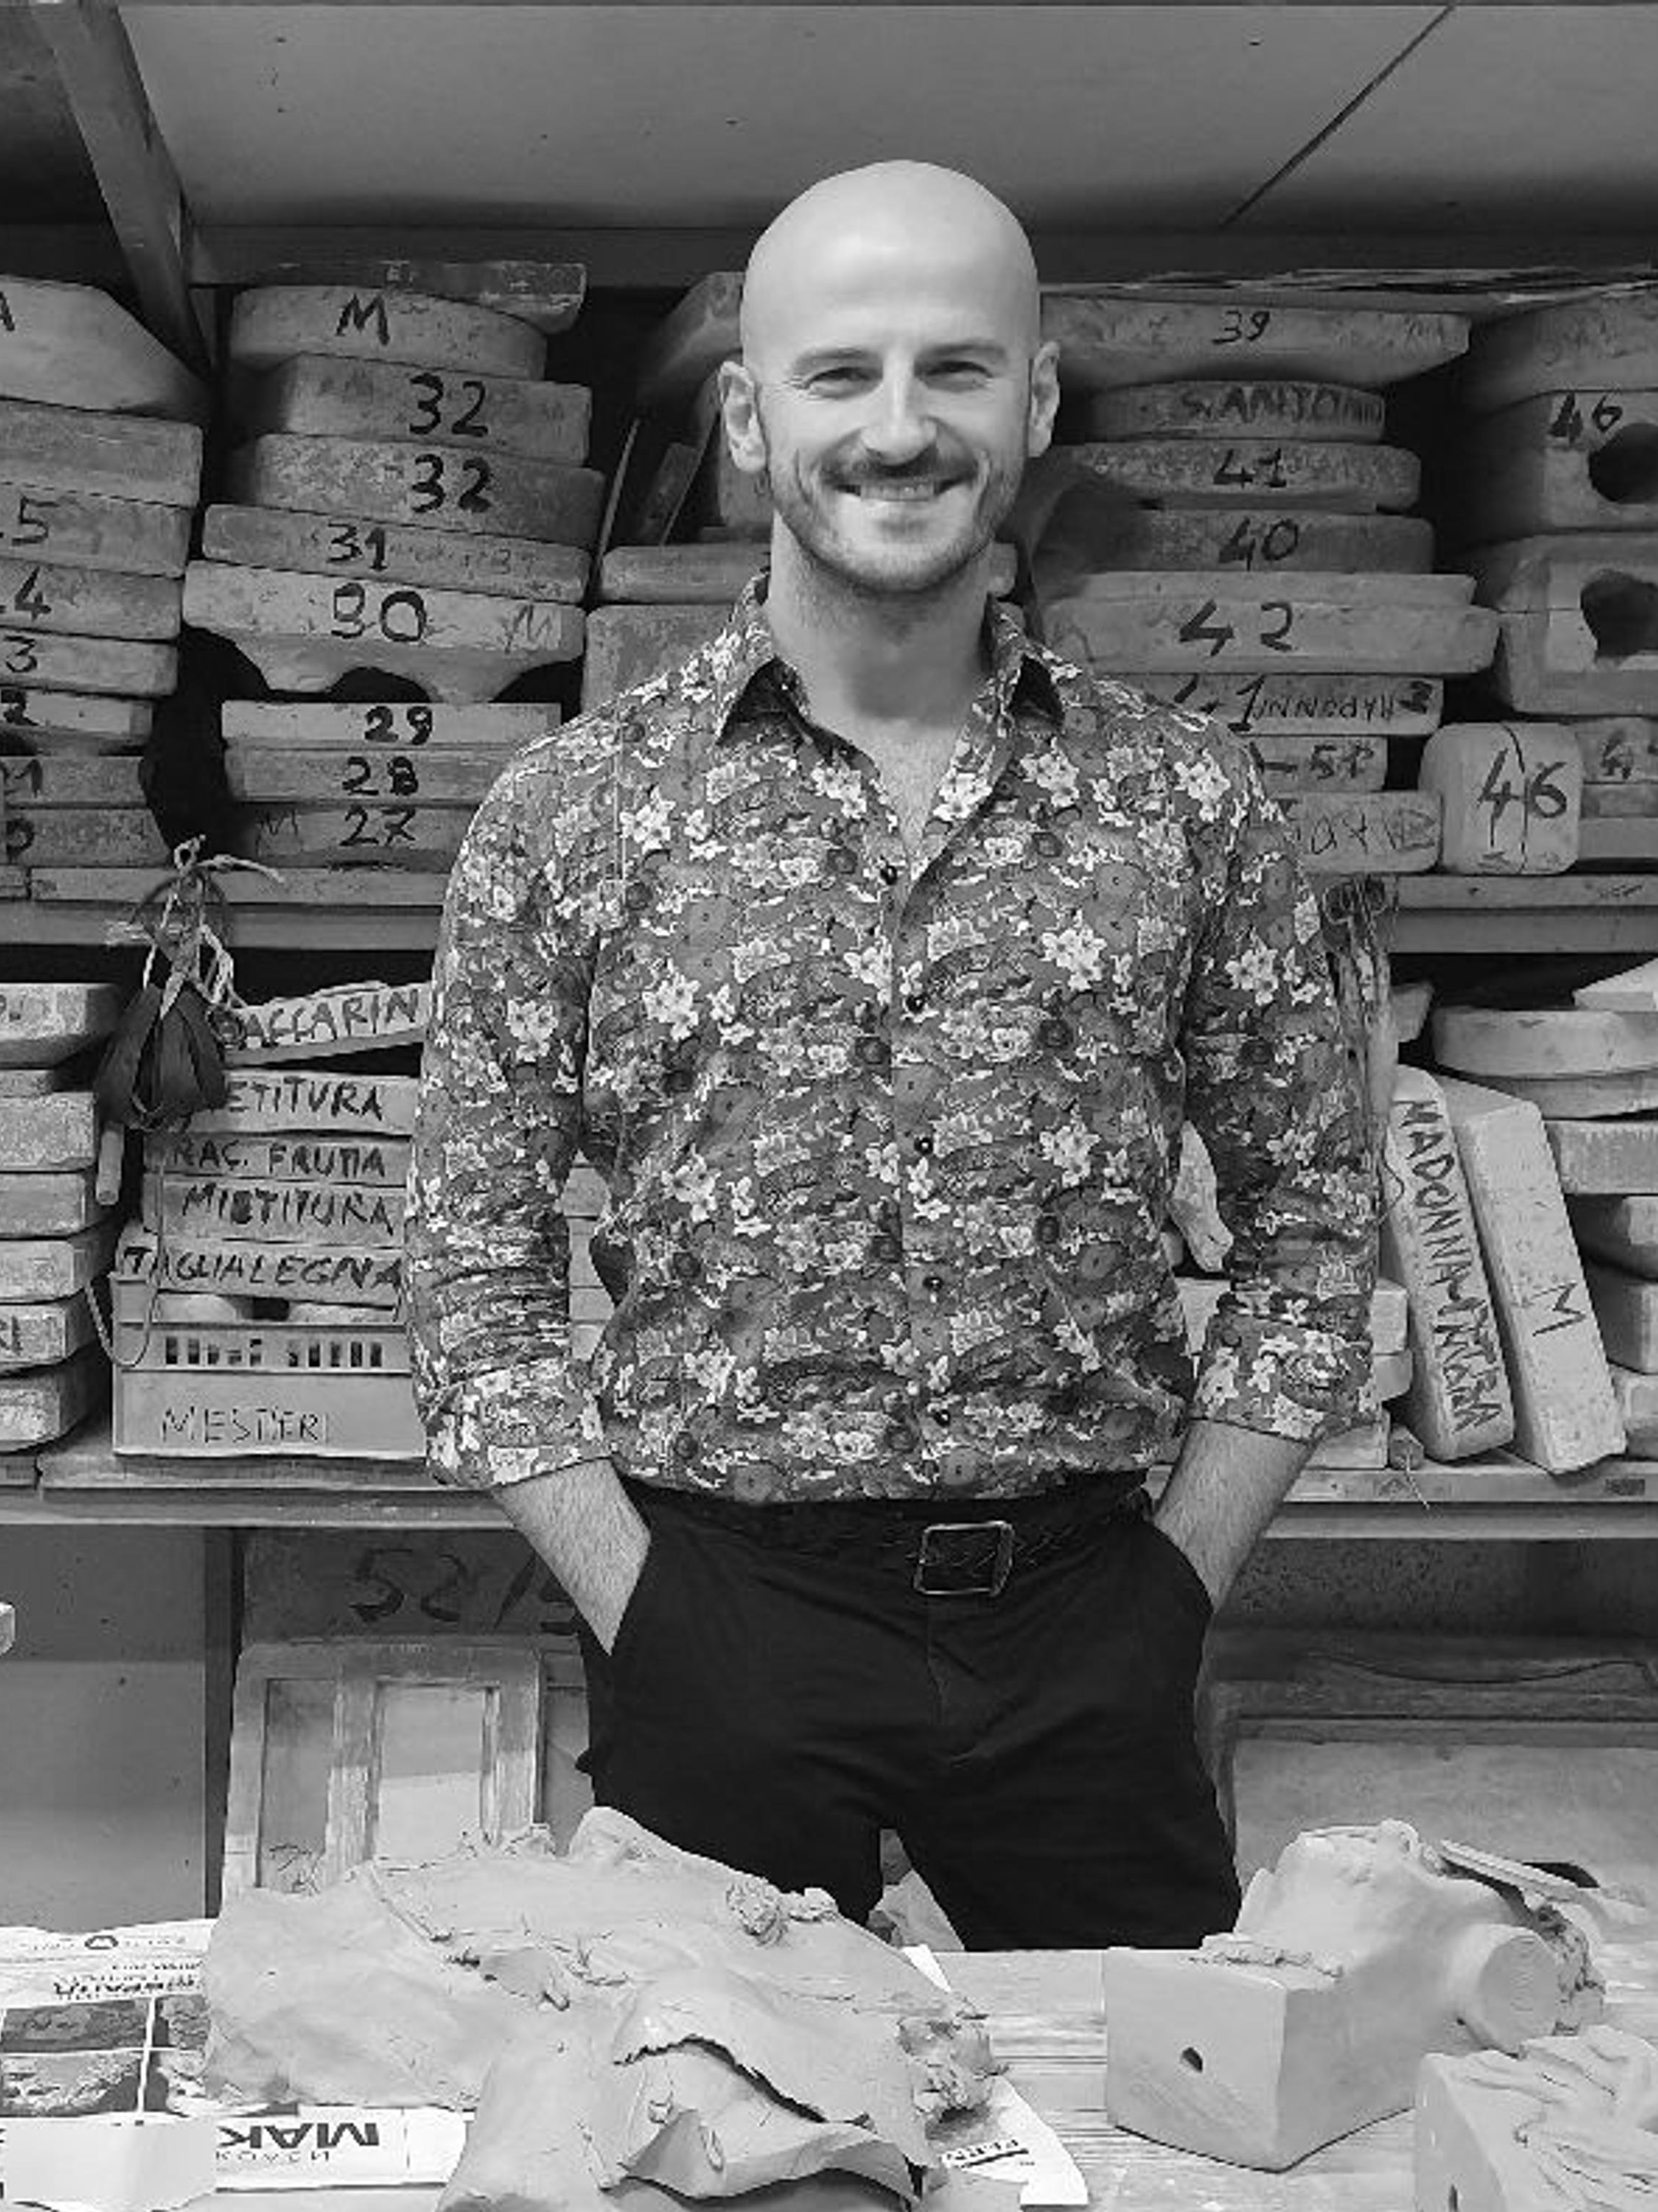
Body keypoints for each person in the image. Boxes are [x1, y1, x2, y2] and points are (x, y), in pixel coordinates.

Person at [403, 160, 1382, 1950]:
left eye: (957, 368)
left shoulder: (1184, 804)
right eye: (841, 373)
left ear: (1038, 401)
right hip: (717, 1620)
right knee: (714, 2118)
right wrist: (644, 1611)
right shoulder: (572, 817)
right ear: (749, 419)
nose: (901, 427)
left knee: (1154, 2117)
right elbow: (470, 1276)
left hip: (1091, 1626)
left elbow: (1317, 1226)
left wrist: (1178, 1588)